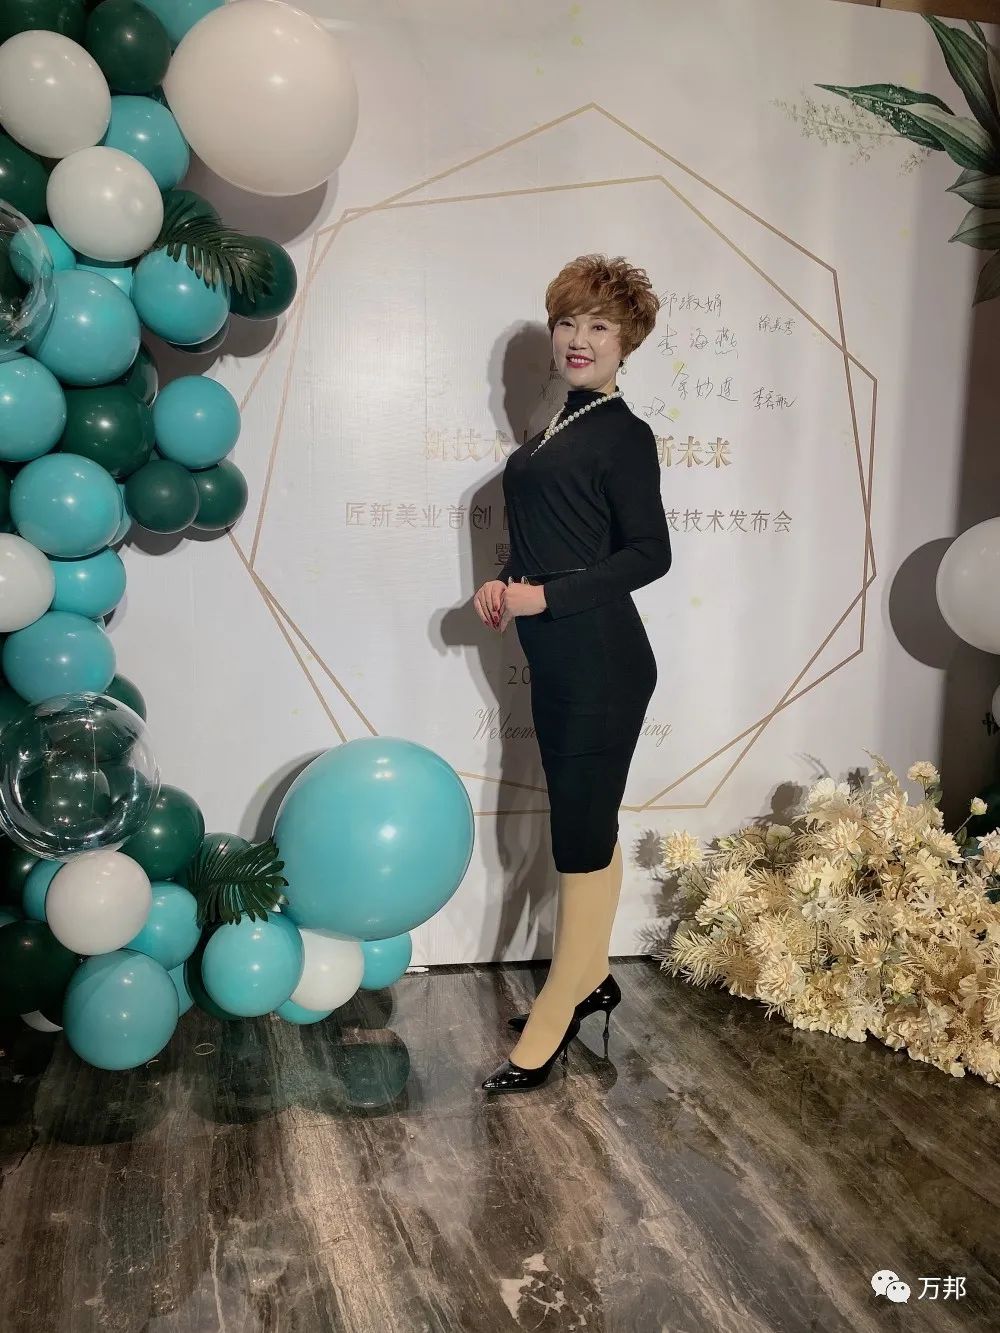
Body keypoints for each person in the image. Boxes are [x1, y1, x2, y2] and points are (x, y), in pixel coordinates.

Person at [472, 254, 673, 1093]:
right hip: (562, 656)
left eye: (599, 325)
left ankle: (557, 1008)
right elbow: (557, 534)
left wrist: (543, 596)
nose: (578, 339)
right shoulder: (557, 426)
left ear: (627, 342)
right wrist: (504, 581)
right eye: (567, 322)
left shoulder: (624, 434)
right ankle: (590, 977)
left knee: (580, 836)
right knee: (588, 822)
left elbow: (650, 553)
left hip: (601, 661)